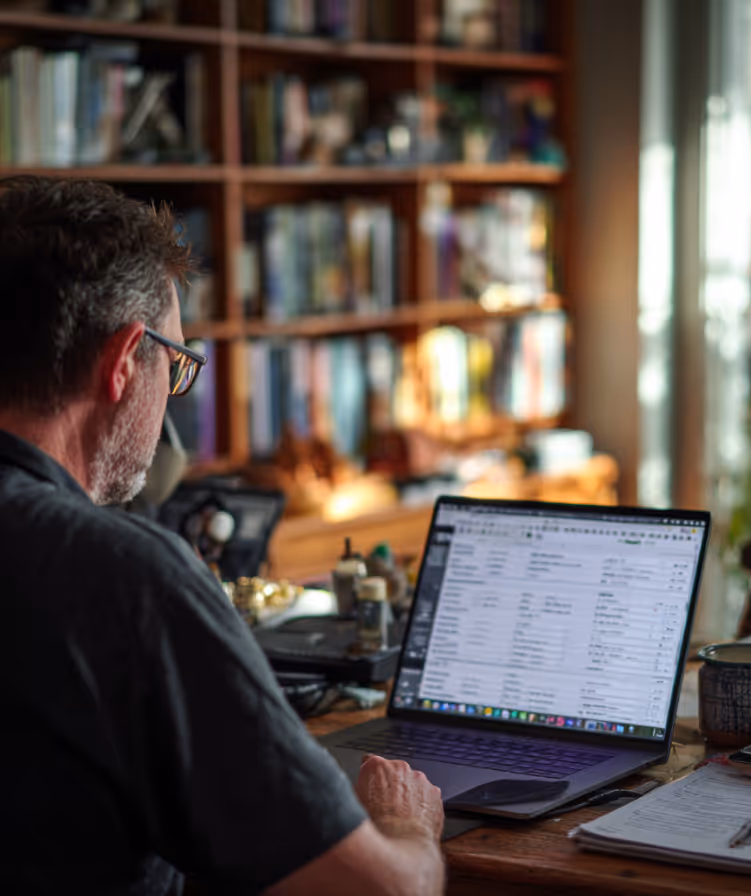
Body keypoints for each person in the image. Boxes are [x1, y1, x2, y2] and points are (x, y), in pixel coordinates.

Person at [0, 176, 444, 896]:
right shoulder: (120, 575)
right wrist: (410, 825)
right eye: (174, 366)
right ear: (122, 364)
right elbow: (384, 890)